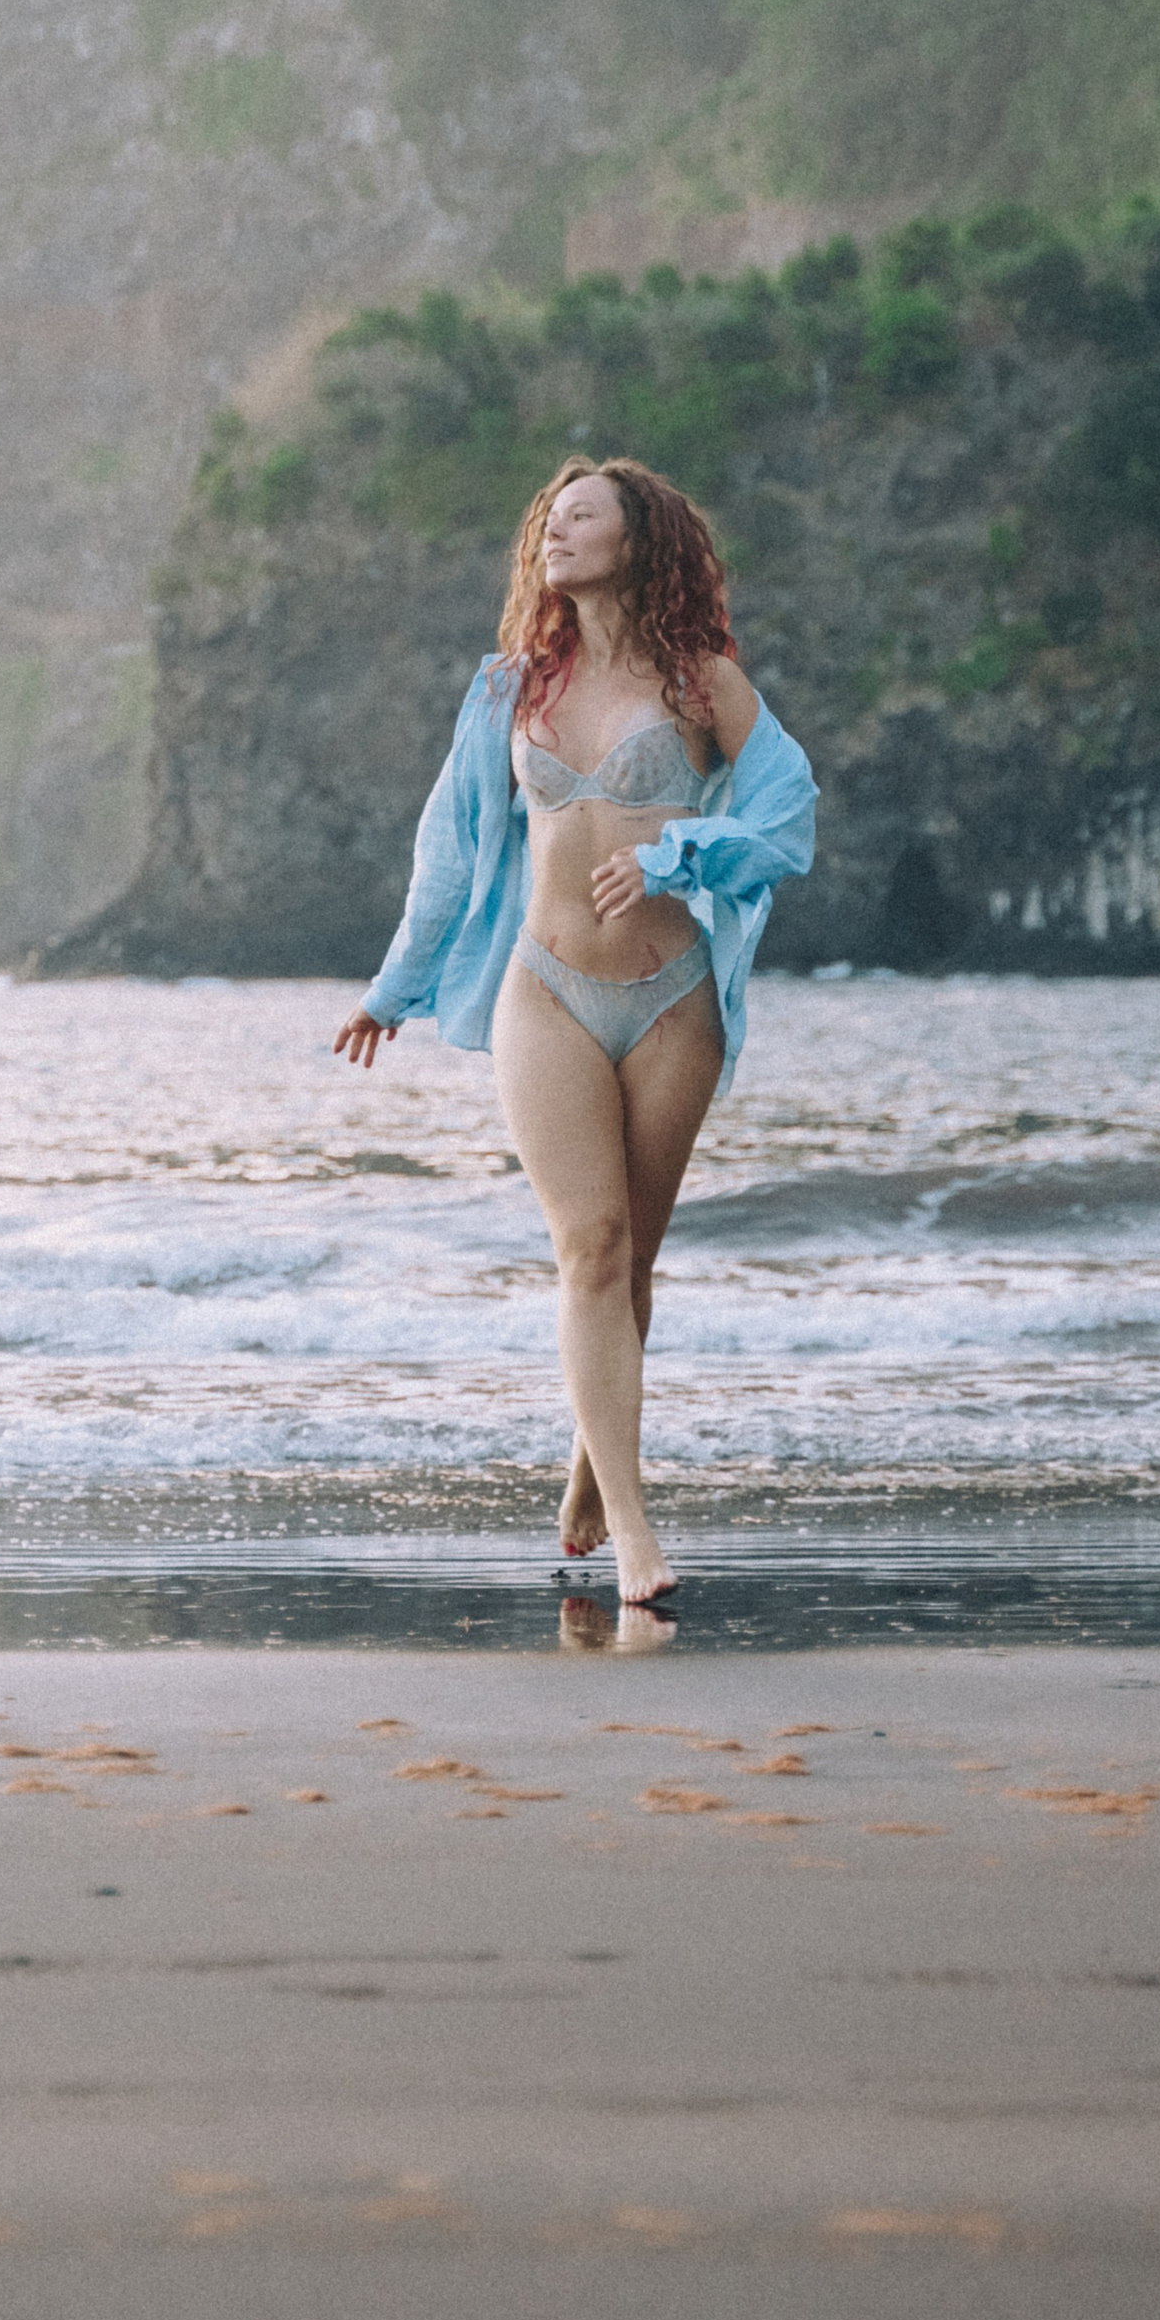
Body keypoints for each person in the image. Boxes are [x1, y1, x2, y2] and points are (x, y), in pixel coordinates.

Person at [332, 458, 817, 1603]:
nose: (554, 533)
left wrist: (677, 853)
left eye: (580, 516)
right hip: (542, 987)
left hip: (673, 996)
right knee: (590, 1247)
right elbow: (449, 847)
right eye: (547, 520)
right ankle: (638, 1535)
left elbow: (786, 814)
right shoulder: (511, 686)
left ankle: (593, 1459)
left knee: (633, 1256)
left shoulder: (701, 683)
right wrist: (391, 987)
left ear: (636, 539)